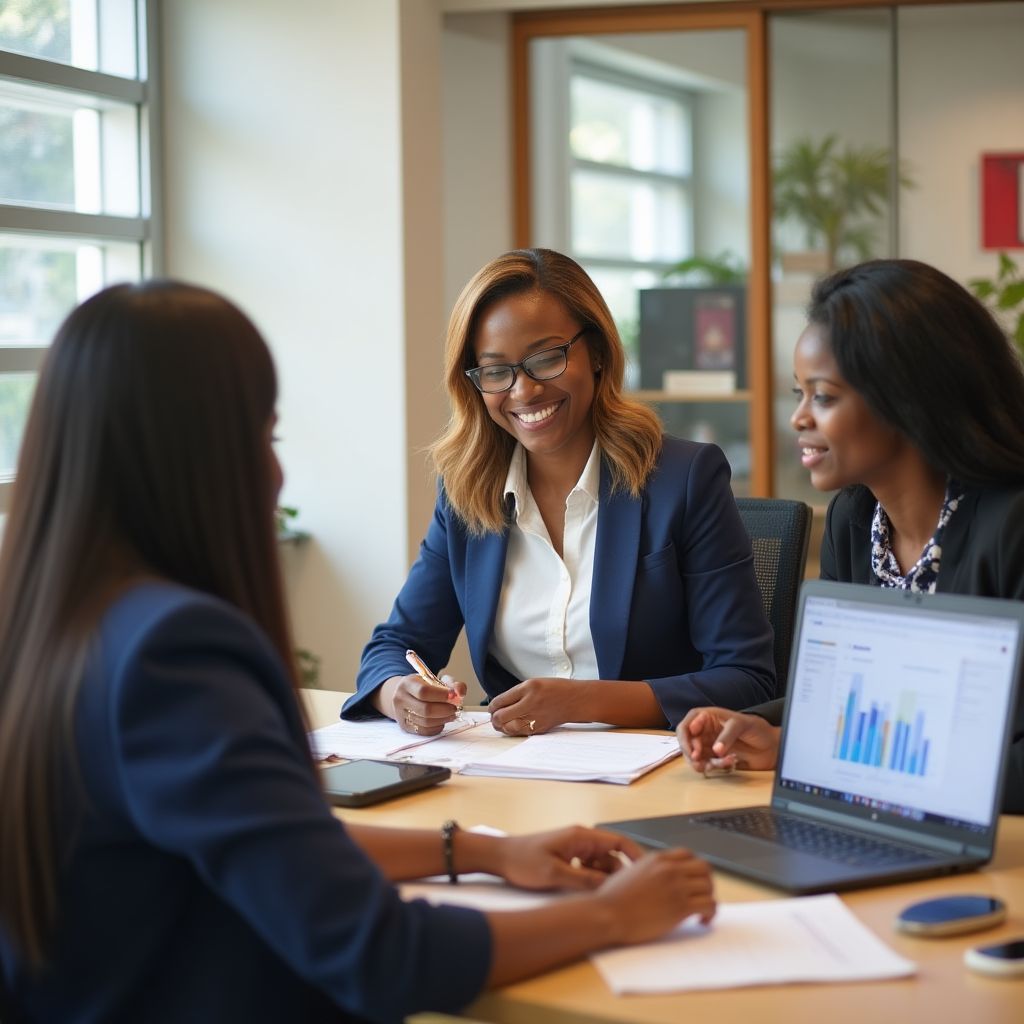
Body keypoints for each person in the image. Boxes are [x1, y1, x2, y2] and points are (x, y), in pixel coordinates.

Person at [0, 282, 718, 1023]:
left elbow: (282, 850)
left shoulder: (55, 622)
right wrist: (615, 917)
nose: (275, 474)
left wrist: (483, 851)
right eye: (263, 436)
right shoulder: (175, 653)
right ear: (192, 451)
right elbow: (378, 953)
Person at [344, 248, 775, 737]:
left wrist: (584, 702)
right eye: (495, 371)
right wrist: (398, 692)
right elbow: (396, 645)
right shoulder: (467, 493)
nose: (524, 392)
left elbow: (748, 679)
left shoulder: (684, 478)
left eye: (546, 358)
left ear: (596, 352)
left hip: (659, 773)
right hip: (520, 773)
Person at [677, 258, 1024, 813]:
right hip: (887, 822)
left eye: (825, 396)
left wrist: (814, 756)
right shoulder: (853, 519)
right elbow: (850, 701)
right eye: (799, 394)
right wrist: (757, 726)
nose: (798, 418)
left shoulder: (1012, 526)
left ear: (910, 399)